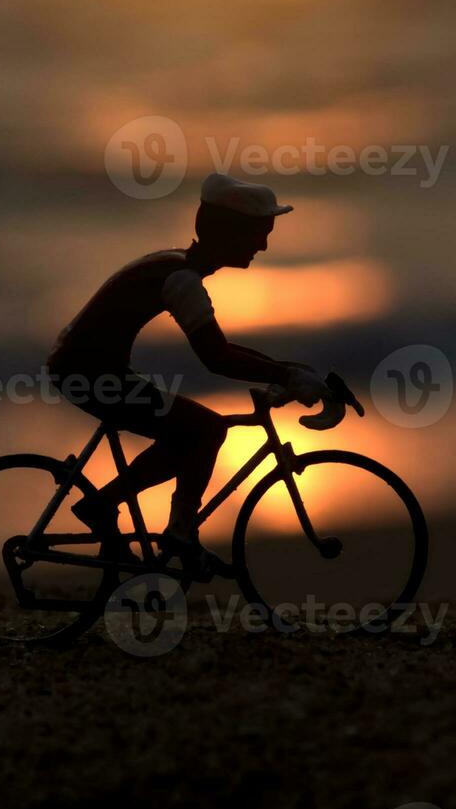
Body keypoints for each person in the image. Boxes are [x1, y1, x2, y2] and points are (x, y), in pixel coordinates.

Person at [46, 173, 329, 576]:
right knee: (206, 429)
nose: (264, 245)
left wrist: (287, 370)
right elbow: (216, 357)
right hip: (90, 374)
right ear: (231, 233)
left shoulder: (175, 264)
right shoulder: (182, 280)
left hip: (86, 368)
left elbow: (222, 348)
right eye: (259, 233)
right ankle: (160, 526)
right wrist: (284, 375)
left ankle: (125, 515)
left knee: (191, 429)